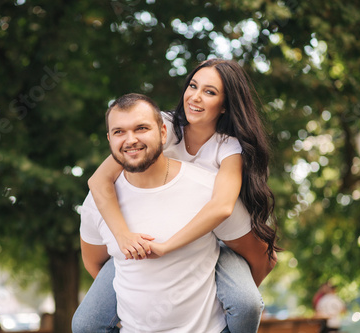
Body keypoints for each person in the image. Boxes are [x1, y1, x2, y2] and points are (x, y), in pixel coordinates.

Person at [73, 59, 279, 332]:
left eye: (210, 91)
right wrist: (123, 236)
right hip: (145, 233)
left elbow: (221, 207)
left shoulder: (229, 148)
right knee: (85, 323)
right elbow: (98, 180)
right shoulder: (165, 126)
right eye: (193, 86)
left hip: (213, 239)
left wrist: (168, 246)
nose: (195, 96)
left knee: (246, 302)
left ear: (226, 104)